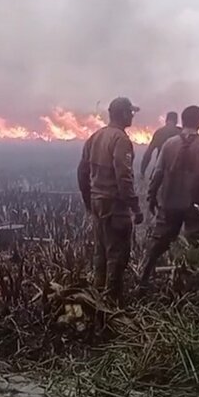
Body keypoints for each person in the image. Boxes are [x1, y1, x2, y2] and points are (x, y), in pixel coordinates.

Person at [139, 105, 199, 287]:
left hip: (169, 202)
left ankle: (143, 280)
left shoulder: (169, 144)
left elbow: (157, 173)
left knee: (158, 243)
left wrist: (151, 196)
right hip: (196, 205)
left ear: (183, 121)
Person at [77, 97, 144, 302]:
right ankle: (112, 301)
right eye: (130, 113)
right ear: (123, 114)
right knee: (117, 254)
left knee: (101, 252)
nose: (132, 116)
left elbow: (82, 171)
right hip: (115, 206)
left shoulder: (95, 137)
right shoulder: (120, 140)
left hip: (98, 203)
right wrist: (135, 207)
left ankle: (98, 295)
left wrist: (88, 200)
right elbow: (123, 177)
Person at [140, 111, 181, 179]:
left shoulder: (159, 132)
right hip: (176, 172)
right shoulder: (180, 132)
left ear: (166, 120)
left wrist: (142, 171)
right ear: (176, 121)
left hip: (159, 169)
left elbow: (148, 153)